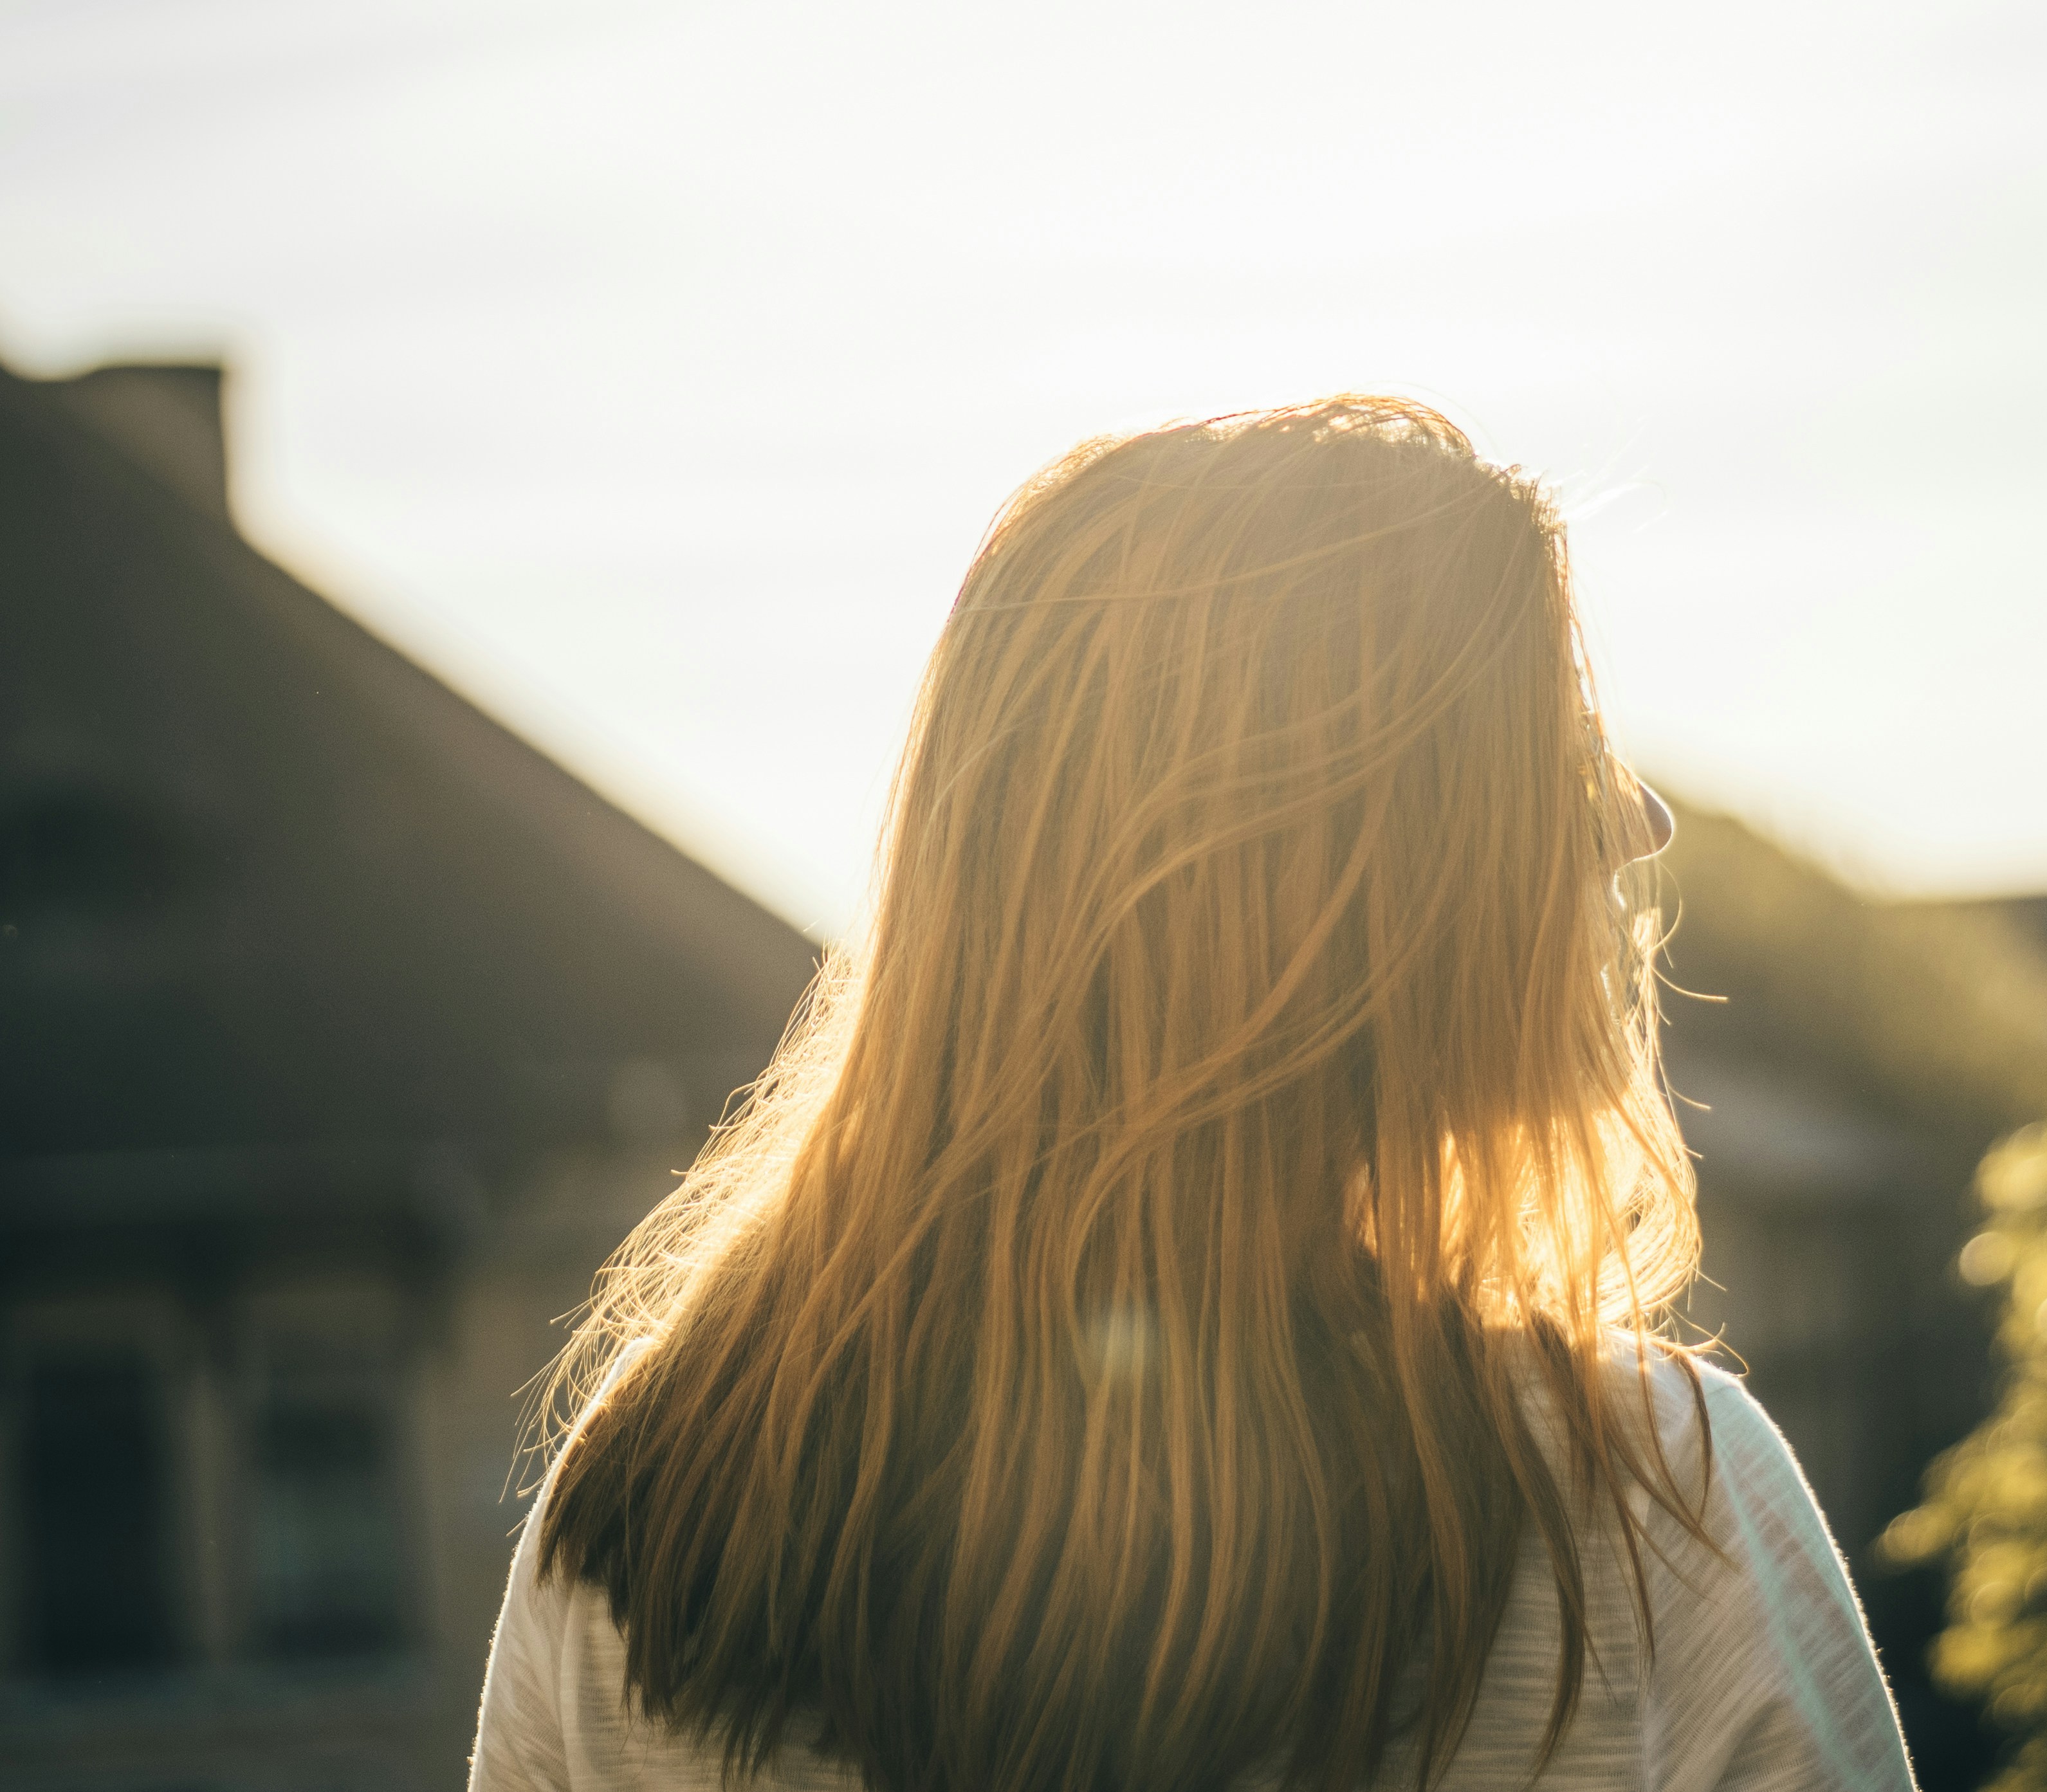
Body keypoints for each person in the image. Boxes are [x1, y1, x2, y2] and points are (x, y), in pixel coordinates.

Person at [469, 398, 1916, 1792]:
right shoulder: (1652, 1513)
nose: (1636, 816)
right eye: (1542, 747)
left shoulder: (643, 1523)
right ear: (1325, 884)